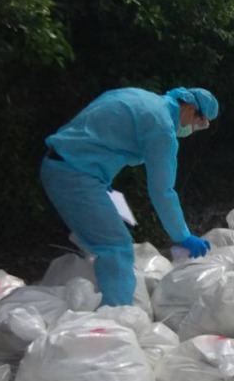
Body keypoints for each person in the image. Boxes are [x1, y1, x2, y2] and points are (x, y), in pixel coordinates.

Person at [40, 86, 218, 306]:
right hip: (76, 175)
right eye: (199, 123)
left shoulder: (142, 99)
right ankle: (116, 318)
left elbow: (99, 139)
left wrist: (109, 194)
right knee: (117, 248)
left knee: (105, 242)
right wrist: (182, 236)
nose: (193, 129)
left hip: (69, 167)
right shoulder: (161, 127)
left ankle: (96, 298)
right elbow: (162, 190)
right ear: (190, 108)